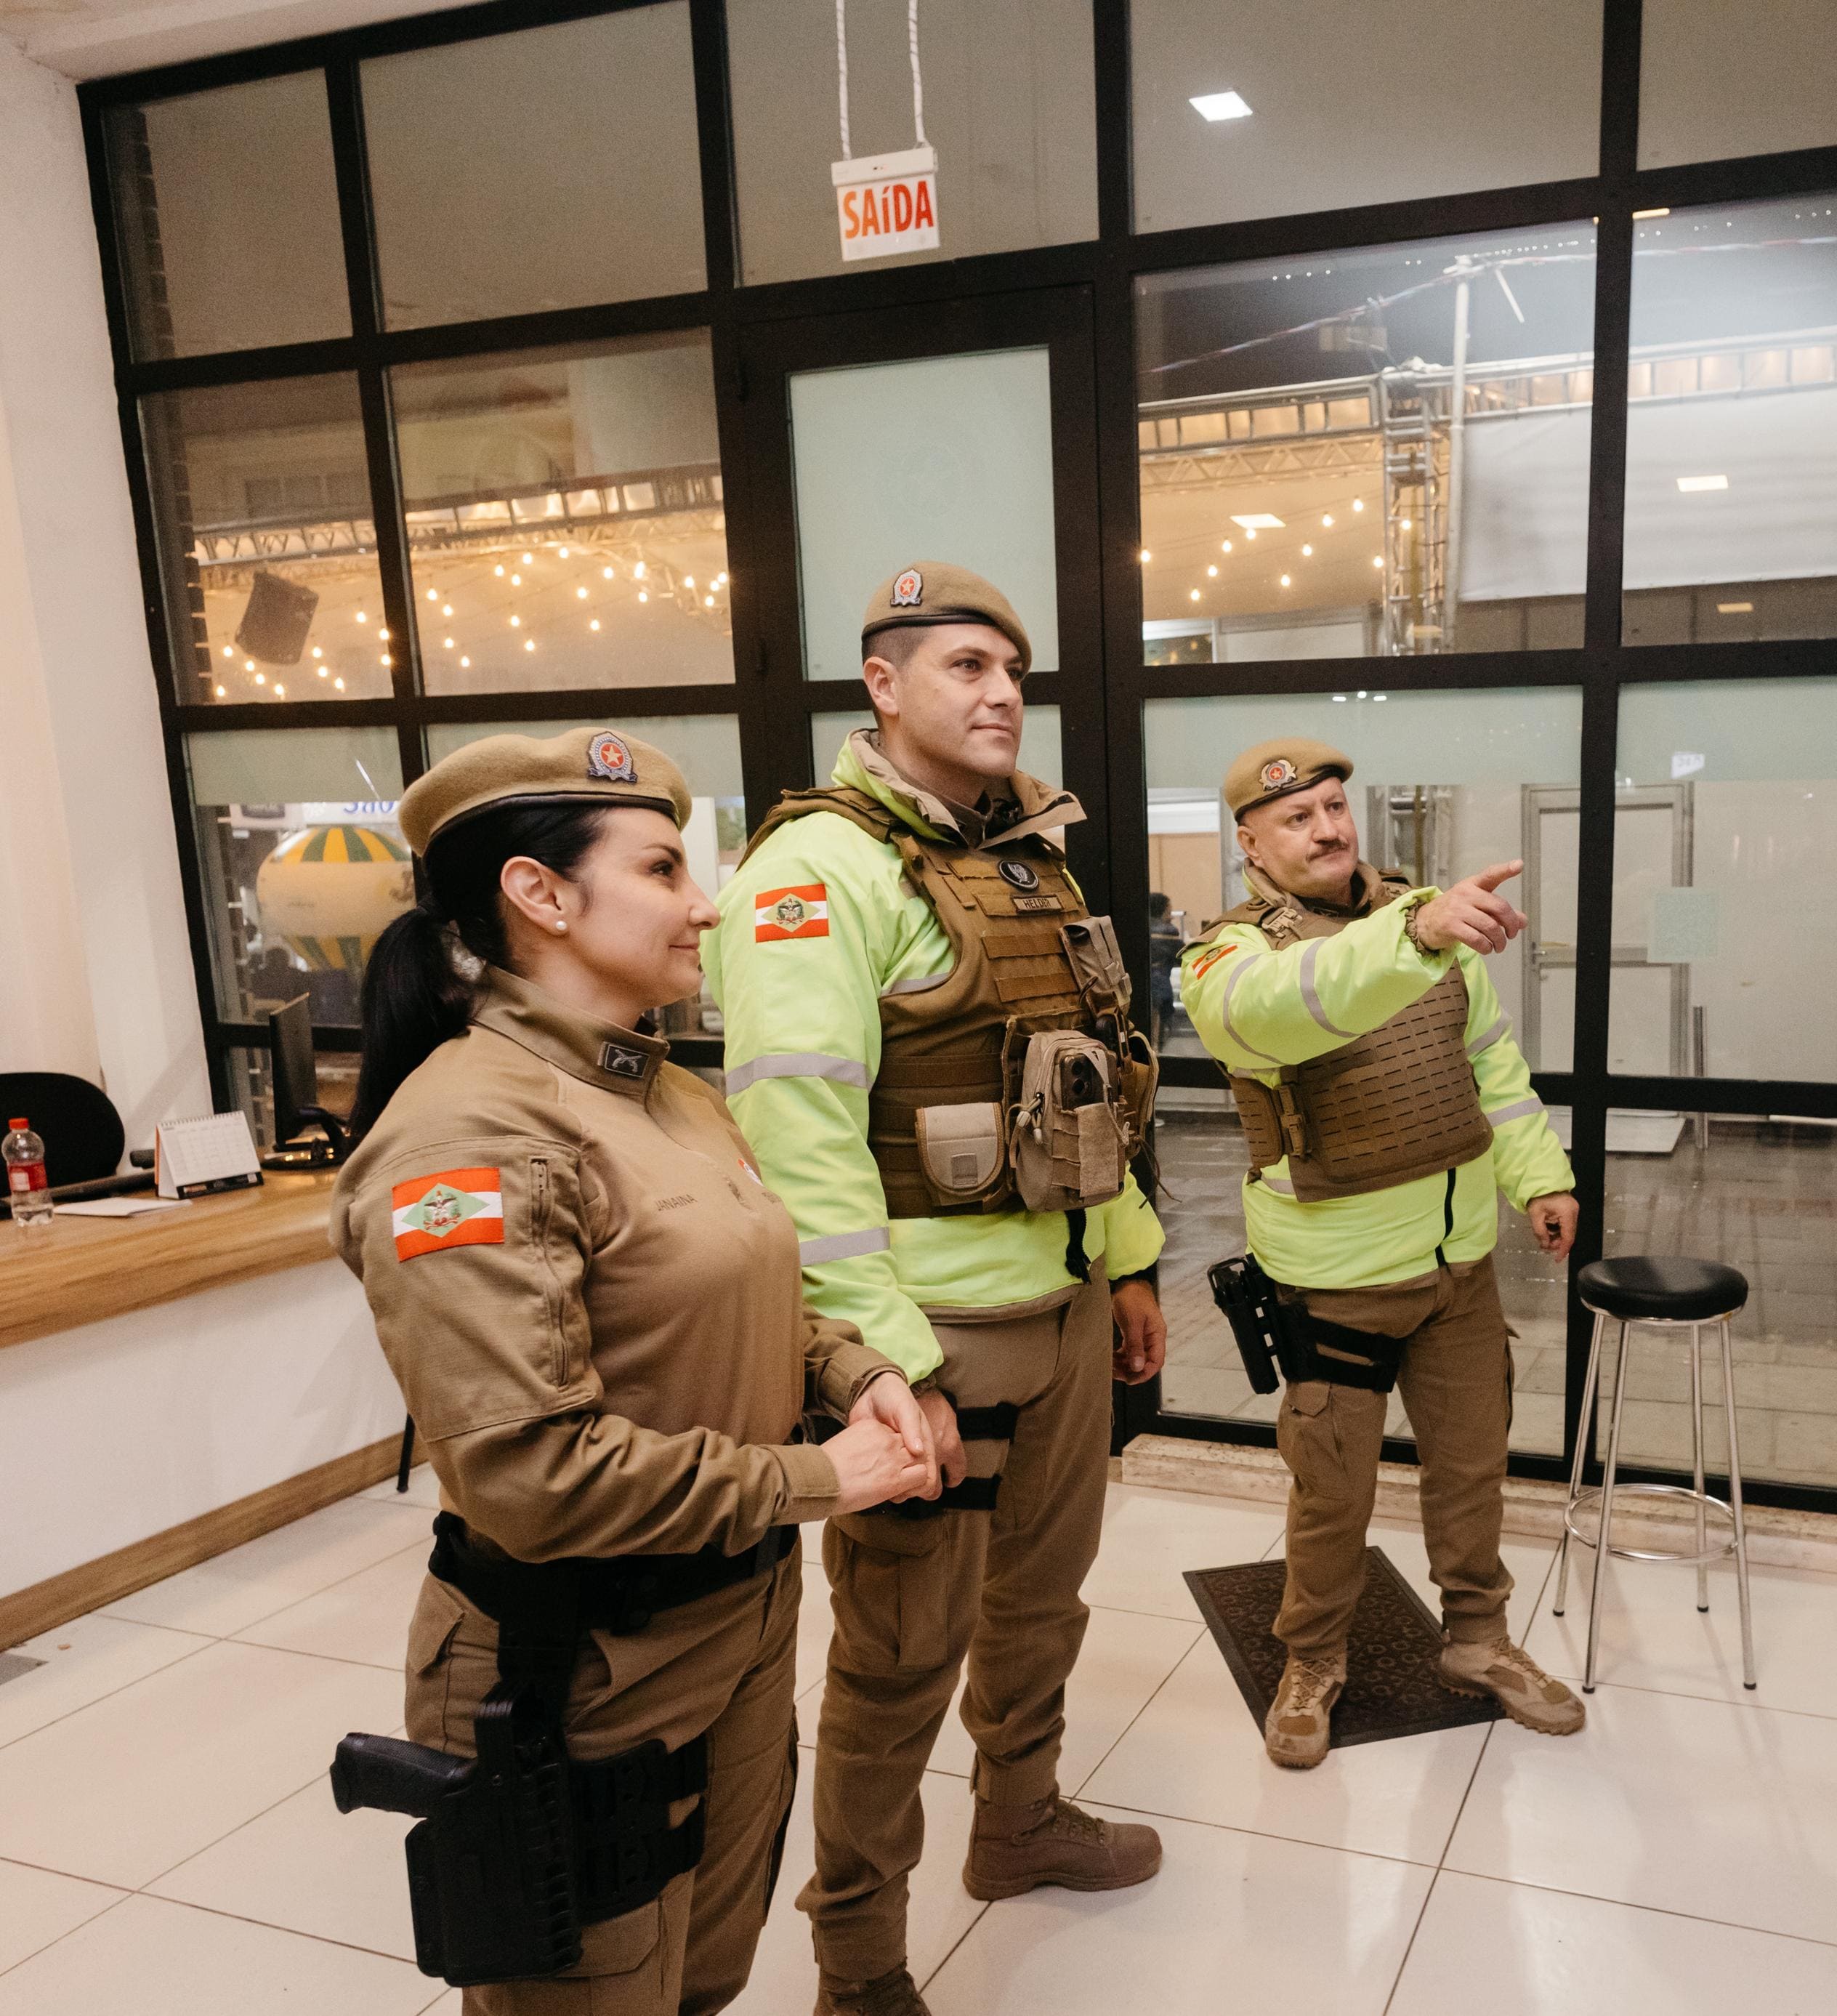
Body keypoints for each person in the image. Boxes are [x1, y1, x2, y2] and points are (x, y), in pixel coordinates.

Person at [334, 725, 942, 2014]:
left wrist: (849, 1373)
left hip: (735, 1619)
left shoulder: (668, 1093)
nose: (706, 905)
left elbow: (741, 1298)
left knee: (701, 1975)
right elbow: (532, 1477)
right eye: (664, 870)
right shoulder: (469, 1133)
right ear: (539, 894)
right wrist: (817, 1476)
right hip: (579, 1666)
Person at [706, 563, 1169, 2016]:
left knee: (1045, 1605)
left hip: (1068, 1304)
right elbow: (796, 1135)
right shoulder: (814, 870)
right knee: (900, 1663)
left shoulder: (1031, 859)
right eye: (963, 664)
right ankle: (860, 1963)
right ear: (883, 683)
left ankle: (1018, 1822)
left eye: (1012, 672)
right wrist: (883, 1359)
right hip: (938, 1346)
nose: (998, 693)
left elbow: (1089, 1086)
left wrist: (1132, 1260)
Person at [1177, 736, 1587, 1768]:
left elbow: (1489, 1061)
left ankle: (1479, 1639)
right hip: (1336, 1278)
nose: (1327, 827)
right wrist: (1417, 928)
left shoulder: (1416, 920)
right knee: (1333, 1493)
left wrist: (1539, 1174)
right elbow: (1289, 1007)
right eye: (1298, 817)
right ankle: (1312, 1658)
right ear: (1250, 845)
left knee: (1471, 1472)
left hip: (1456, 1264)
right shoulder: (1227, 957)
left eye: (1334, 807)